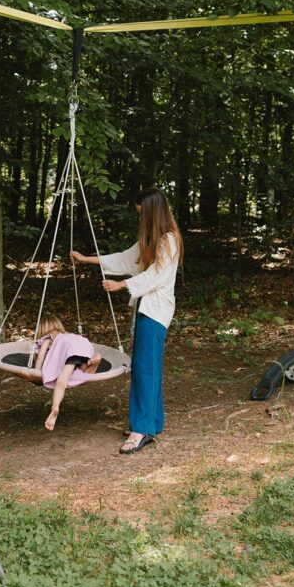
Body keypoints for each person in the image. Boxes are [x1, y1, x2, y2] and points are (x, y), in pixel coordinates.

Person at [70, 188, 183, 455]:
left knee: (145, 368)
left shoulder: (169, 240)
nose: (140, 219)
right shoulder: (152, 239)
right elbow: (124, 258)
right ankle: (151, 423)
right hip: (148, 310)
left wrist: (122, 285)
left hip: (157, 312)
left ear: (152, 212)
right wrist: (87, 259)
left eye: (142, 214)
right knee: (148, 366)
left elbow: (156, 275)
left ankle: (141, 429)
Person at [31, 315, 103, 431]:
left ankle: (55, 407)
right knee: (82, 370)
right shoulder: (67, 335)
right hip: (84, 345)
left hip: (72, 350)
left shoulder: (47, 338)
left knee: (62, 379)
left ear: (41, 329)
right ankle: (93, 363)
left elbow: (40, 357)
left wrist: (36, 371)